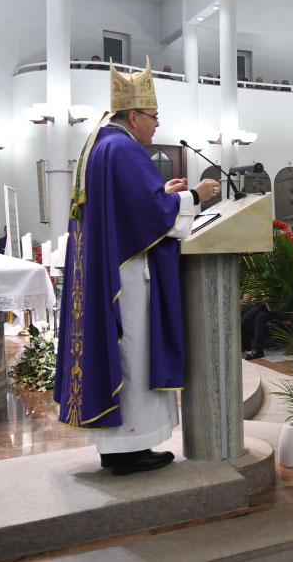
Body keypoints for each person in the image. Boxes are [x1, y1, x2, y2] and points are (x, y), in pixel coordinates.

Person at [55, 59, 222, 476]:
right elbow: (150, 215)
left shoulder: (100, 145)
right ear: (133, 116)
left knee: (126, 352)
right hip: (128, 277)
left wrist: (161, 192)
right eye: (153, 116)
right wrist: (196, 196)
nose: (156, 125)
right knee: (133, 354)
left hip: (114, 268)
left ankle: (118, 449)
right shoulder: (125, 148)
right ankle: (130, 448)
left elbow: (129, 208)